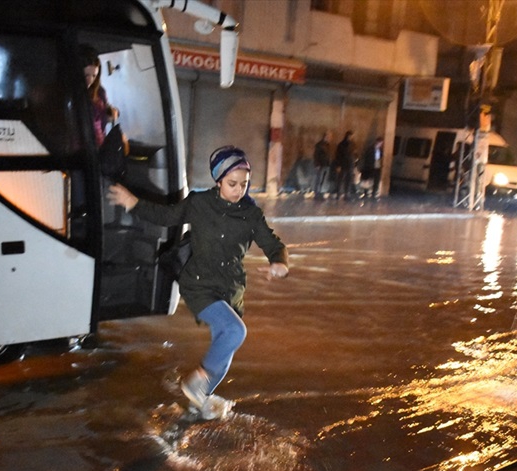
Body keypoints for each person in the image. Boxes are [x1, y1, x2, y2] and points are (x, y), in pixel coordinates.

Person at [107, 146, 289, 420]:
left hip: (231, 290)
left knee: (224, 349)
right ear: (218, 180)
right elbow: (166, 216)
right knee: (236, 332)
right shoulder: (200, 203)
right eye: (232, 183)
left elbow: (272, 243)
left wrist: (279, 262)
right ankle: (197, 382)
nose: (239, 190)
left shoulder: (250, 215)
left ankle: (198, 401)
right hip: (199, 284)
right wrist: (133, 202)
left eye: (244, 184)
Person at [81, 51, 118, 148]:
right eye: (86, 75)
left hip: (99, 147)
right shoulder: (70, 93)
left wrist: (110, 114)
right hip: (81, 149)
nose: (90, 81)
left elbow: (104, 116)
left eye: (94, 76)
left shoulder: (100, 92)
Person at [333, 130, 357, 200]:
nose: (351, 137)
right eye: (350, 136)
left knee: (348, 180)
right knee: (341, 179)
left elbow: (355, 154)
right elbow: (338, 155)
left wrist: (355, 162)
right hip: (343, 164)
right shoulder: (341, 144)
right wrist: (338, 165)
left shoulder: (353, 144)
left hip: (350, 164)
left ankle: (347, 194)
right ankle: (339, 193)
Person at [312, 132, 331, 198]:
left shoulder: (327, 145)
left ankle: (320, 192)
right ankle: (317, 193)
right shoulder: (320, 145)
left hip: (325, 164)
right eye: (328, 137)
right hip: (321, 164)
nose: (330, 138)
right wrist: (317, 164)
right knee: (319, 179)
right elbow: (316, 155)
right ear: (325, 137)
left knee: (322, 179)